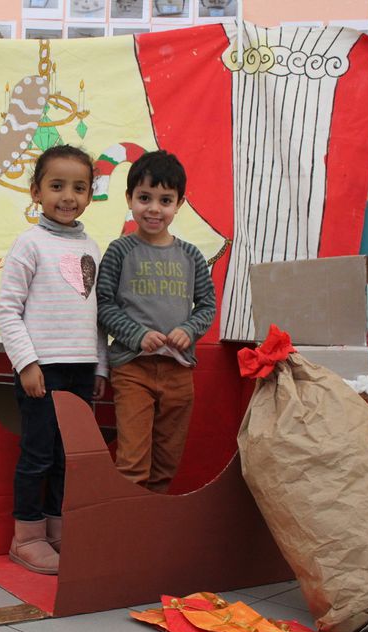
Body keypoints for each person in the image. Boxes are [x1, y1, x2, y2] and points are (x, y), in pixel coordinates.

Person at [0, 144, 108, 575]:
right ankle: (27, 536)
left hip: (81, 371)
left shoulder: (93, 246)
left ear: (90, 194)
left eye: (79, 188)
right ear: (35, 191)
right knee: (39, 454)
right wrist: (26, 364)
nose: (68, 196)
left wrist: (100, 366)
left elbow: (96, 314)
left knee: (68, 455)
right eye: (57, 185)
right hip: (42, 370)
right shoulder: (29, 244)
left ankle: (57, 529)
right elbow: (8, 309)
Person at [96, 150, 216, 493]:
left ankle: (152, 528)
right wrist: (136, 334)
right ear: (129, 199)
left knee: (167, 460)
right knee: (133, 461)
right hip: (133, 369)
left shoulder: (191, 255)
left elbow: (207, 305)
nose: (154, 208)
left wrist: (189, 330)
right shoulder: (120, 251)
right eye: (144, 198)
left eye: (165, 200)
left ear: (179, 203)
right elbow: (103, 305)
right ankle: (127, 534)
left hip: (179, 372)